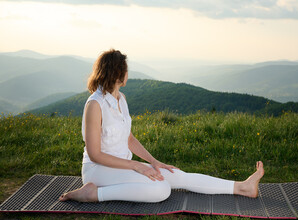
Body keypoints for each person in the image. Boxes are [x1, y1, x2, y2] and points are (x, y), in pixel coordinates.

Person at [59, 49, 264, 203]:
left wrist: (154, 162)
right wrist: (137, 166)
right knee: (161, 190)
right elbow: (95, 154)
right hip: (99, 170)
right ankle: (93, 193)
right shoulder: (95, 104)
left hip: (124, 165)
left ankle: (242, 187)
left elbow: (128, 139)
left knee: (176, 175)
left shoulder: (121, 99)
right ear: (118, 74)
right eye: (126, 70)